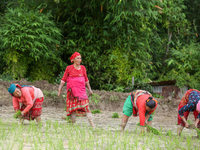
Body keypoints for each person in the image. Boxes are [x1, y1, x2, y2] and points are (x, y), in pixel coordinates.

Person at [57, 52, 95, 128]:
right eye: (78, 58)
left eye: (80, 58)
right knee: (73, 110)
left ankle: (93, 125)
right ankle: (73, 127)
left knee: (86, 108)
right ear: (73, 59)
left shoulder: (83, 68)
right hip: (72, 93)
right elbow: (63, 80)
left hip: (81, 93)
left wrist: (90, 90)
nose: (79, 60)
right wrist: (59, 90)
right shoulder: (69, 68)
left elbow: (86, 80)